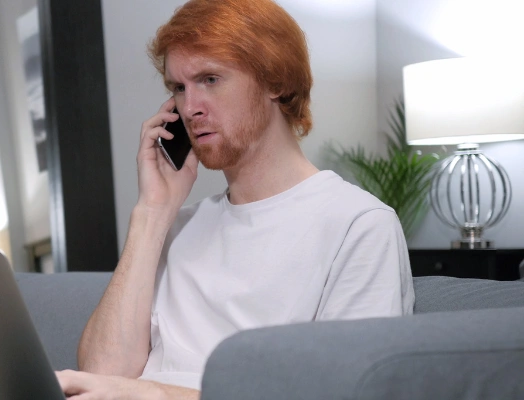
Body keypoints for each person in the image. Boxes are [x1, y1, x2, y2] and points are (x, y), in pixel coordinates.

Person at [54, 0, 414, 398]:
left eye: (210, 79)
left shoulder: (358, 224)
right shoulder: (174, 225)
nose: (190, 108)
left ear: (275, 81)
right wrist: (151, 213)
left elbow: (346, 392)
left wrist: (155, 394)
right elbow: (101, 372)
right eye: (178, 88)